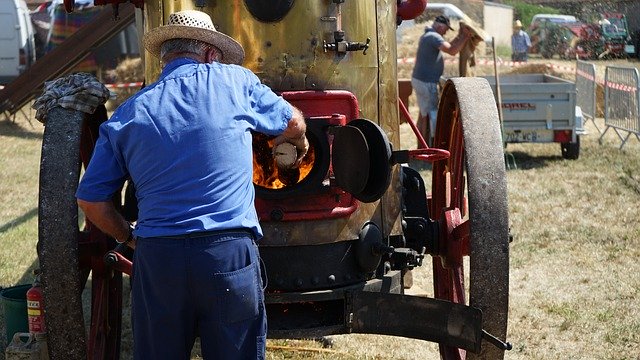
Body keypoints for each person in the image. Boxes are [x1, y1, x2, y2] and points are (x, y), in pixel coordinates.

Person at [75, 9, 309, 360]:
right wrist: (293, 143)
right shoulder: (236, 81)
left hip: (158, 260)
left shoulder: (128, 113)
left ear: (166, 57)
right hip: (227, 255)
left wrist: (127, 236)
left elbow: (91, 201)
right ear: (211, 53)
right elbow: (291, 122)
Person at [411, 15, 471, 146]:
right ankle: (430, 145)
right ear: (440, 26)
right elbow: (452, 50)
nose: (446, 32)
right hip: (426, 82)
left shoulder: (429, 35)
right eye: (446, 29)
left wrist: (460, 37)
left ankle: (422, 145)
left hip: (421, 80)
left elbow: (450, 45)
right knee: (430, 114)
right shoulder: (434, 37)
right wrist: (466, 37)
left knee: (423, 114)